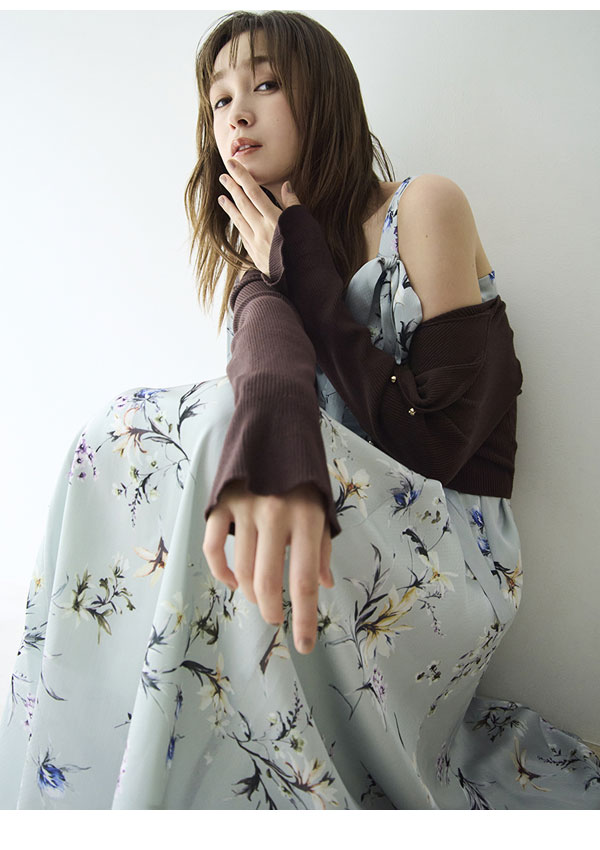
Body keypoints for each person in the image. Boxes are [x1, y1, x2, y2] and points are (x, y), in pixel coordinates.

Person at [0, 10, 598, 810]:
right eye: (219, 99)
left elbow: (440, 443)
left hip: (447, 554)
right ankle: (100, 769)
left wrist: (300, 259)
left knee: (221, 428)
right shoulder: (263, 260)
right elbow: (267, 382)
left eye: (266, 83)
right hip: (322, 531)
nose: (236, 113)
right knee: (121, 430)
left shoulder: (421, 207)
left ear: (324, 95)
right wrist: (274, 270)